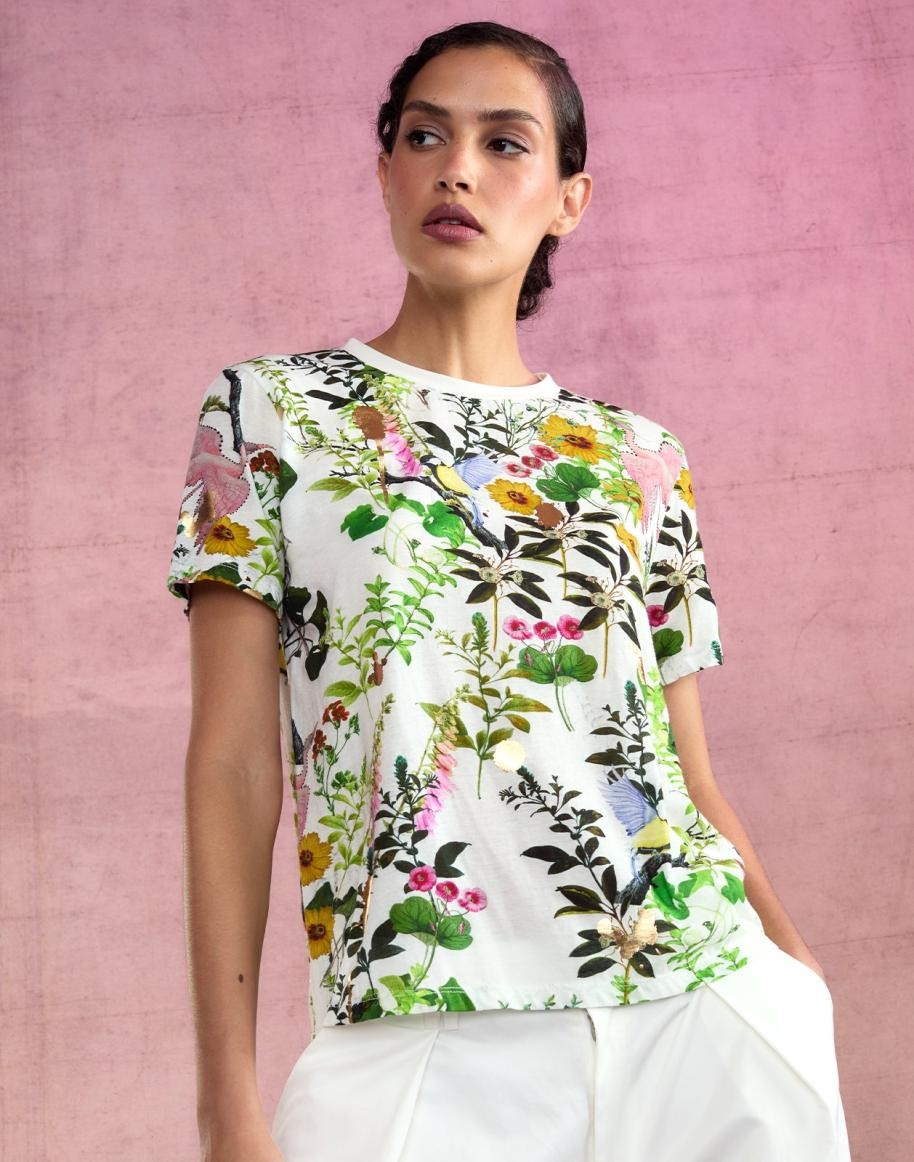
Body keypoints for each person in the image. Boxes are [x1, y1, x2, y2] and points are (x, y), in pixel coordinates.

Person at [166, 20, 852, 1162]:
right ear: (384, 169)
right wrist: (224, 1105)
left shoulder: (637, 456)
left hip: (699, 1000)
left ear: (568, 200)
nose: (457, 169)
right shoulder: (268, 413)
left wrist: (791, 970)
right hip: (419, 1013)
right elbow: (233, 766)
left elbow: (682, 771)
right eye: (424, 135)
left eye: (504, 143)